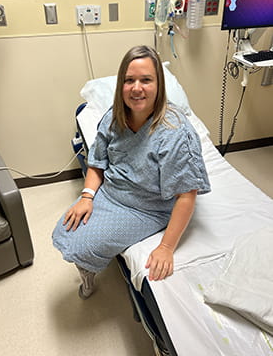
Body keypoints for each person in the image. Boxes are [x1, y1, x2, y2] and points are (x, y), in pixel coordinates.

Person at [52, 45, 210, 299]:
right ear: (120, 86)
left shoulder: (175, 132)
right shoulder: (114, 118)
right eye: (129, 80)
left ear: (159, 85)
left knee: (83, 246)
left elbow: (186, 195)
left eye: (146, 80)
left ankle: (88, 274)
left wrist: (166, 247)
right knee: (65, 229)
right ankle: (88, 271)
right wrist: (87, 196)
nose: (137, 88)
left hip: (148, 207)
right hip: (112, 192)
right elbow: (98, 162)